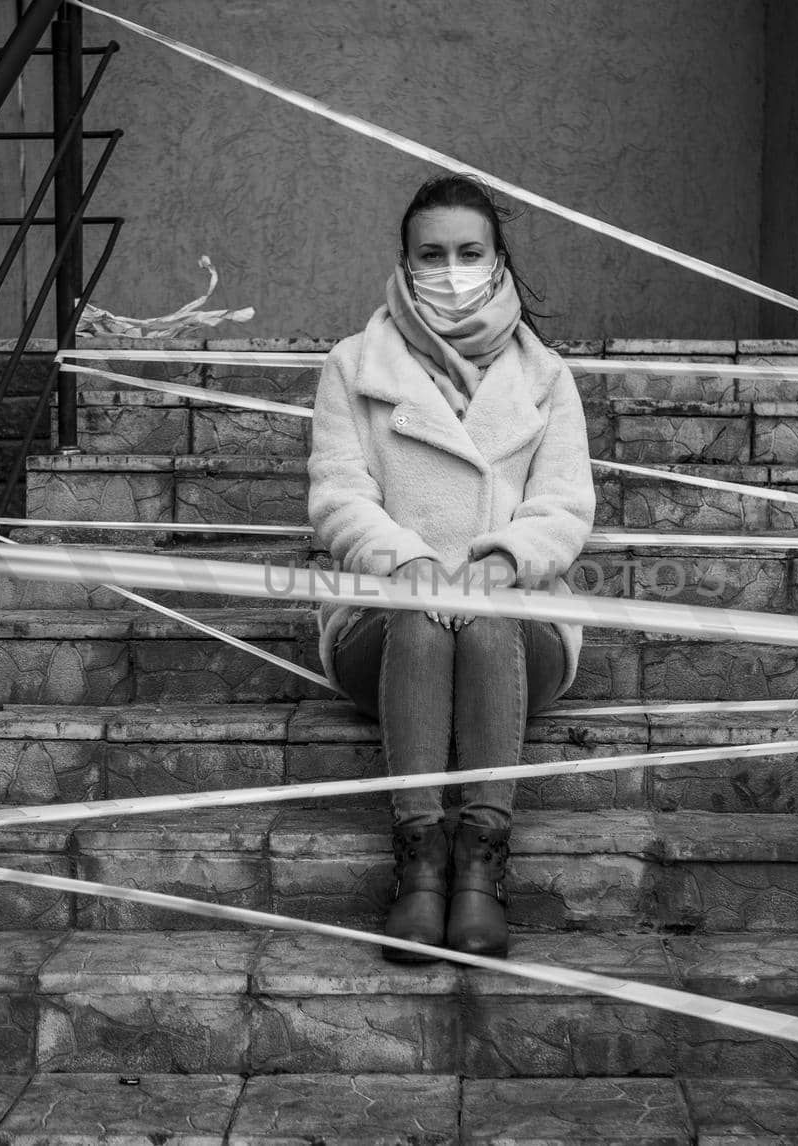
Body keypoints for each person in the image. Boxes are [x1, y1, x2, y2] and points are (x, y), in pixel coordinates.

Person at [306, 172, 596, 961]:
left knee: (487, 622)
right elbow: (339, 498)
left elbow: (565, 505)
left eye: (471, 251)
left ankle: (481, 869)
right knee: (426, 627)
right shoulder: (353, 365)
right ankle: (421, 863)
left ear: (500, 261)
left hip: (516, 626)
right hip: (386, 626)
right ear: (404, 263)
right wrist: (411, 566)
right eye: (431, 254)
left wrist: (501, 564)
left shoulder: (547, 379)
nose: (452, 268)